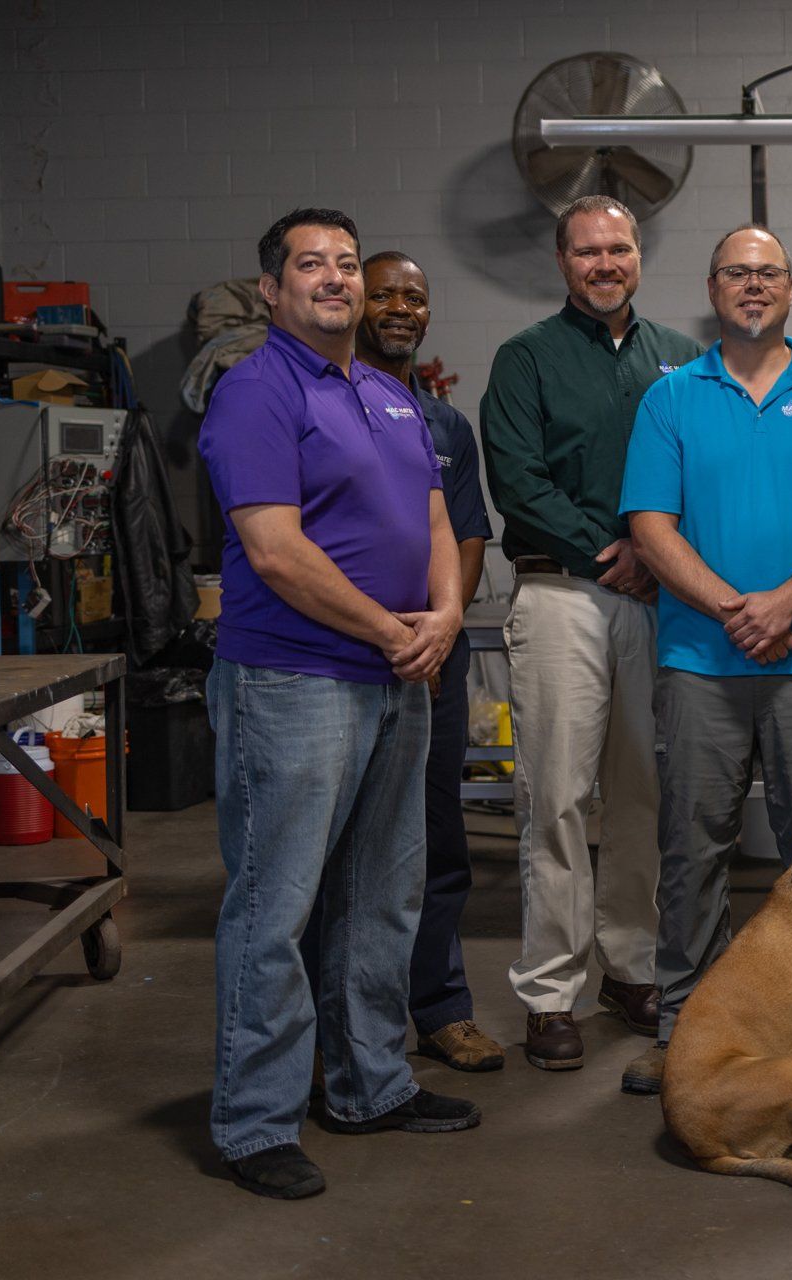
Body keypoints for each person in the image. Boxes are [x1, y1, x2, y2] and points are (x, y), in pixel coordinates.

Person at [199, 208, 477, 1201]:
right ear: (270, 289)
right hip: (296, 681)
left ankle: (370, 1081)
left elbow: (435, 516)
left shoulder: (388, 396)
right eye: (310, 264)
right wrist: (389, 627)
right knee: (276, 906)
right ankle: (254, 1119)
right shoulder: (254, 390)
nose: (335, 278)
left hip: (397, 676)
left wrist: (445, 615)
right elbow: (274, 550)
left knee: (379, 895)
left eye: (348, 264)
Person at [615, 224, 792, 1095]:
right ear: (712, 289)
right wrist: (731, 608)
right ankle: (684, 1030)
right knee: (691, 848)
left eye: (768, 273)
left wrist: (781, 604)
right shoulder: (671, 399)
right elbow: (650, 527)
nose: (752, 285)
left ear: (790, 288)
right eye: (736, 273)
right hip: (702, 663)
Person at [479, 195, 703, 1072]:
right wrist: (613, 549)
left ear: (638, 255)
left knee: (643, 792)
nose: (604, 264)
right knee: (559, 798)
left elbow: (700, 469)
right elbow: (517, 478)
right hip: (563, 592)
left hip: (659, 599)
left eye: (618, 249)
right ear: (562, 262)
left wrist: (660, 557)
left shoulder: (680, 360)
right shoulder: (525, 358)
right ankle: (549, 989)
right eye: (586, 252)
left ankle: (631, 965)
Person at [351, 249, 498, 1072]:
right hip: (350, 659)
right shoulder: (329, 407)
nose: (400, 308)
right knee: (349, 851)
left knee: (440, 842)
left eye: (414, 297)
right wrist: (386, 633)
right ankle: (341, 1026)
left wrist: (443, 629)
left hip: (435, 666)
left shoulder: (445, 425)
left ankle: (441, 1008)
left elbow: (468, 536)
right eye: (384, 295)